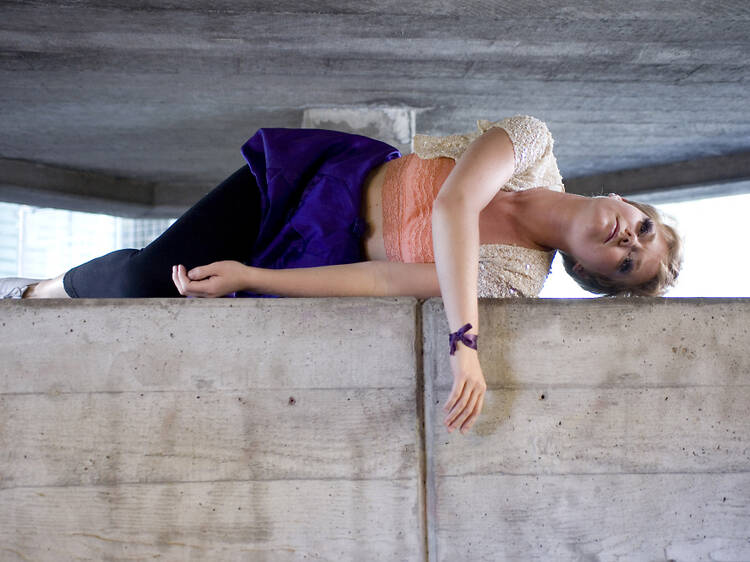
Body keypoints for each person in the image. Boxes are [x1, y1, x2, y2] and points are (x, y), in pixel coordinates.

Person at [0, 115, 683, 436]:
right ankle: (40, 291)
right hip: (317, 180)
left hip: (314, 250)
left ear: (589, 272)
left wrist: (251, 276)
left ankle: (41, 292)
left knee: (157, 291)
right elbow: (454, 205)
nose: (629, 240)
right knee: (142, 277)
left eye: (628, 263)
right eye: (643, 228)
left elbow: (382, 283)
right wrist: (465, 346)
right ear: (626, 203)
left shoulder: (513, 281)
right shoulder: (533, 144)